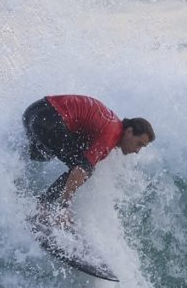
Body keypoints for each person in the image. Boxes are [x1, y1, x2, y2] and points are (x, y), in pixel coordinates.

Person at [23, 95, 154, 225]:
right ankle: (45, 207)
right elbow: (80, 170)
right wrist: (65, 207)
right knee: (84, 168)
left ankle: (15, 184)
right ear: (129, 132)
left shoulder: (110, 124)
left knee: (40, 155)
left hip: (33, 112)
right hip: (49, 119)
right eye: (139, 144)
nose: (137, 151)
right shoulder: (111, 134)